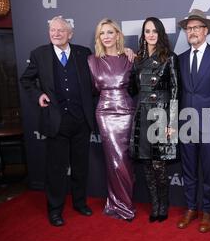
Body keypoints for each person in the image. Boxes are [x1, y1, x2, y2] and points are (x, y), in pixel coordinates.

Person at [20, 16, 94, 226]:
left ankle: (80, 203)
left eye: (61, 30)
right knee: (56, 169)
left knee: (80, 167)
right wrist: (38, 95)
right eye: (53, 30)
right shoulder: (39, 54)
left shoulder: (83, 53)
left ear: (70, 34)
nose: (56, 33)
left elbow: (99, 74)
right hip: (56, 121)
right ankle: (55, 210)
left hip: (81, 120)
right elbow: (26, 79)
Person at [176, 9, 210, 233]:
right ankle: (191, 208)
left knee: (208, 169)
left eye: (197, 27)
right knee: (188, 169)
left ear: (205, 31)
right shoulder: (180, 59)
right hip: (186, 124)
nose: (192, 32)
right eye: (189, 28)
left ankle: (207, 211)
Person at [129, 17, 179, 223]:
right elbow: (133, 89)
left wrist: (172, 123)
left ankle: (164, 204)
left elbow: (175, 90)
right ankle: (155, 205)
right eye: (147, 31)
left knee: (159, 165)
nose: (150, 34)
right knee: (147, 164)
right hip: (142, 114)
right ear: (143, 34)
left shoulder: (169, 57)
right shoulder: (138, 59)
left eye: (154, 31)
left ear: (160, 34)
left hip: (161, 114)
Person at [87, 18, 136, 222]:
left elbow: (137, 86)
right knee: (113, 160)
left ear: (117, 35)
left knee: (125, 159)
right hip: (105, 112)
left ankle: (122, 202)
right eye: (102, 33)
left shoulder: (130, 57)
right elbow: (90, 89)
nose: (106, 37)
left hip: (126, 110)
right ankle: (119, 204)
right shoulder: (92, 60)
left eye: (110, 32)